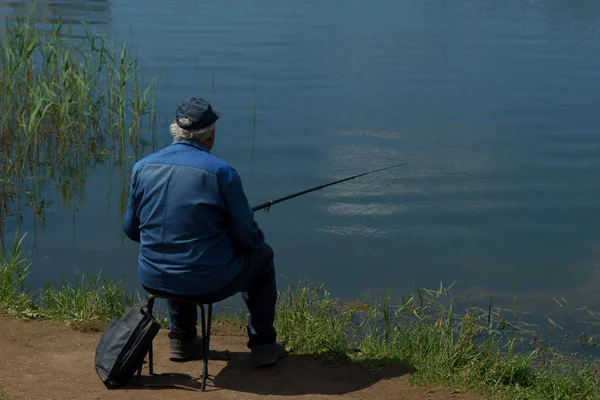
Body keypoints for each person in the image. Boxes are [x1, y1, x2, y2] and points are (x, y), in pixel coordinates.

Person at [123, 97, 286, 367]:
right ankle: (263, 345)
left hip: (151, 277)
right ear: (210, 136)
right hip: (205, 282)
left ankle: (182, 339)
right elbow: (247, 238)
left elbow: (131, 230)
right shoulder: (222, 173)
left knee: (177, 250)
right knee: (263, 256)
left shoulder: (142, 167)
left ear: (174, 128)